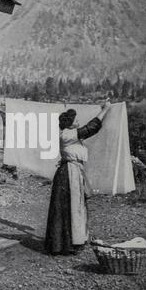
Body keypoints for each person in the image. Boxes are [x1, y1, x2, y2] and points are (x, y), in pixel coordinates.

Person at [45, 101, 111, 255]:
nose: (78, 121)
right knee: (71, 207)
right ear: (69, 124)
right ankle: (64, 244)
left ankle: (70, 242)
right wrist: (105, 110)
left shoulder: (71, 136)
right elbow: (91, 128)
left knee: (72, 207)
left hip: (72, 172)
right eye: (75, 120)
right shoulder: (67, 135)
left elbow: (88, 129)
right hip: (69, 174)